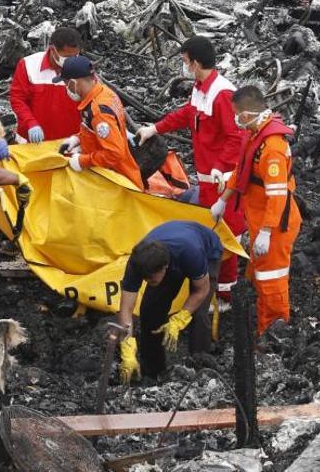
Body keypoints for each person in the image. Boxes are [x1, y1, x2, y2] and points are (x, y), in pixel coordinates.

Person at [135, 36, 246, 309]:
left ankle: (224, 297)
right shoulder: (200, 89)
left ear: (196, 63)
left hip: (224, 182)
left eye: (185, 62)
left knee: (227, 234)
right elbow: (187, 115)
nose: (184, 67)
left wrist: (221, 166)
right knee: (212, 231)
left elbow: (236, 137)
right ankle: (212, 286)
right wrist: (156, 128)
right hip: (209, 180)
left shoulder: (223, 94)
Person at [211, 86, 301, 335]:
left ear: (248, 114)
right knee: (257, 274)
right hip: (259, 218)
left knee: (271, 279)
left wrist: (267, 232)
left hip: (275, 225)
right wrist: (223, 200)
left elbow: (277, 195)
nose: (234, 119)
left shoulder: (272, 148)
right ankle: (258, 317)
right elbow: (242, 171)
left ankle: (273, 332)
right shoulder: (254, 136)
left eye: (236, 114)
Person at [114, 221, 221, 384]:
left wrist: (180, 318)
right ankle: (152, 371)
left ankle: (201, 370)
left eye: (151, 278)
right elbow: (126, 310)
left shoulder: (191, 253)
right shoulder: (137, 263)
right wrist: (127, 347)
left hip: (207, 250)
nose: (147, 281)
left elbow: (201, 290)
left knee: (198, 314)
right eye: (144, 278)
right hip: (171, 252)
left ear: (165, 268)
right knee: (150, 311)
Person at [55, 56, 144, 190]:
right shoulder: (104, 93)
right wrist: (77, 139)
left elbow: (114, 153)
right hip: (110, 173)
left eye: (66, 83)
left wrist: (82, 161)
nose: (66, 88)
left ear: (74, 83)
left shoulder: (99, 111)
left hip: (115, 180)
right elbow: (95, 130)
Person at [9, 26, 82, 143]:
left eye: (76, 56)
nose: (73, 61)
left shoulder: (82, 67)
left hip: (69, 142)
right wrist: (30, 122)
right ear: (53, 50)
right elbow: (17, 99)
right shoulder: (28, 65)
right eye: (68, 57)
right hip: (34, 141)